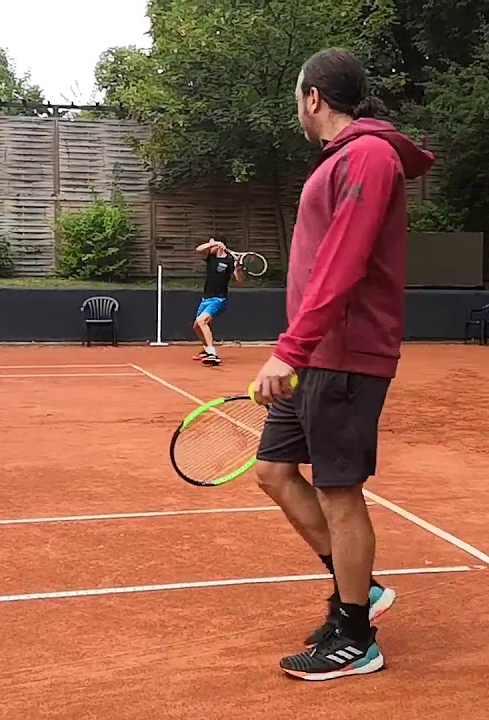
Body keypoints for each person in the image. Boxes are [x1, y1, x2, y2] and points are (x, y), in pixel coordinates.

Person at [249, 47, 434, 681]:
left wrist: (289, 350)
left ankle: (356, 637)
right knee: (274, 472)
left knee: (338, 491)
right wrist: (297, 347)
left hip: (344, 355)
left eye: (297, 99)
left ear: (313, 98)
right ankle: (361, 589)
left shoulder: (369, 156)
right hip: (315, 353)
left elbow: (344, 261)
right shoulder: (340, 160)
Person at [192, 238, 242, 367]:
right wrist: (213, 243)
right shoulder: (210, 258)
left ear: (220, 246)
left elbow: (239, 280)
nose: (210, 247)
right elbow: (199, 249)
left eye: (212, 245)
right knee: (197, 326)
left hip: (219, 299)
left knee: (201, 322)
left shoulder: (229, 261)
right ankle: (206, 349)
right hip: (206, 299)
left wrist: (238, 267)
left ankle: (212, 354)